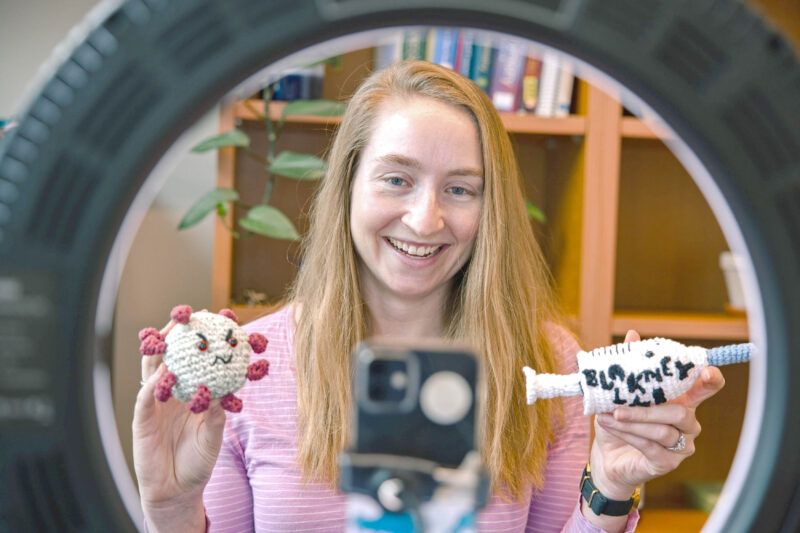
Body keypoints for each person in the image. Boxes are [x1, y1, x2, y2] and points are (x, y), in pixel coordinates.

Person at [133, 60, 725, 532]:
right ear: (347, 187)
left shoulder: (547, 363)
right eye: (397, 179)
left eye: (461, 188)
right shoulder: (255, 370)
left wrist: (611, 487)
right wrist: (171, 511)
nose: (425, 218)